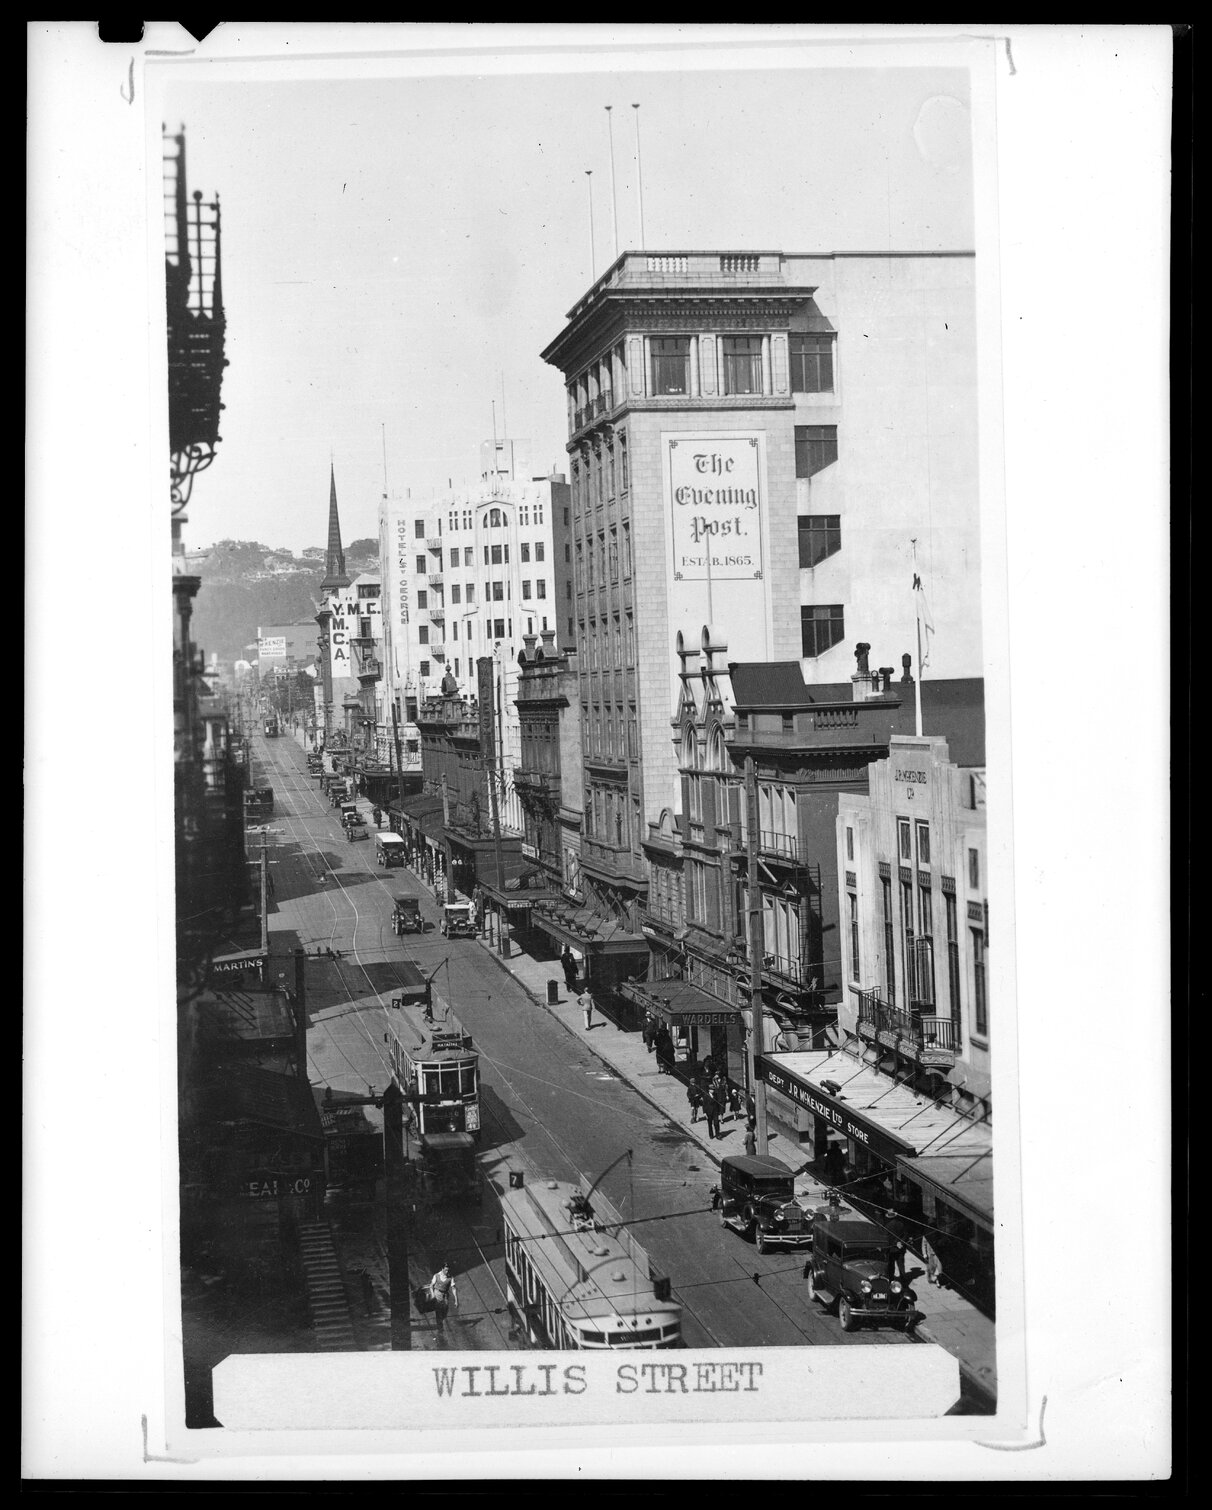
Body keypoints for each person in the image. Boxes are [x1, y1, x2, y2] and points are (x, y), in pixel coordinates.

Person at [428, 1263, 458, 1330]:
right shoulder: (436, 1275)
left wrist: (456, 1300)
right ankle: (440, 1326)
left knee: (445, 1309)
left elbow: (453, 1288)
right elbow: (431, 1286)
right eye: (445, 1270)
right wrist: (433, 1294)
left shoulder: (450, 1277)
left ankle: (441, 1319)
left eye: (448, 1271)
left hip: (445, 1294)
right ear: (442, 1269)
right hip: (437, 1293)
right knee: (438, 1309)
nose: (447, 1272)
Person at [884, 1210, 909, 1280]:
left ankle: (891, 1281)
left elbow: (888, 1239)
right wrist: (901, 1243)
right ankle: (904, 1281)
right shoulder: (901, 1224)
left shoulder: (887, 1226)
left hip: (891, 1250)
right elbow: (905, 1235)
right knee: (901, 1266)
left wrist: (895, 1243)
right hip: (900, 1249)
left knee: (891, 1267)